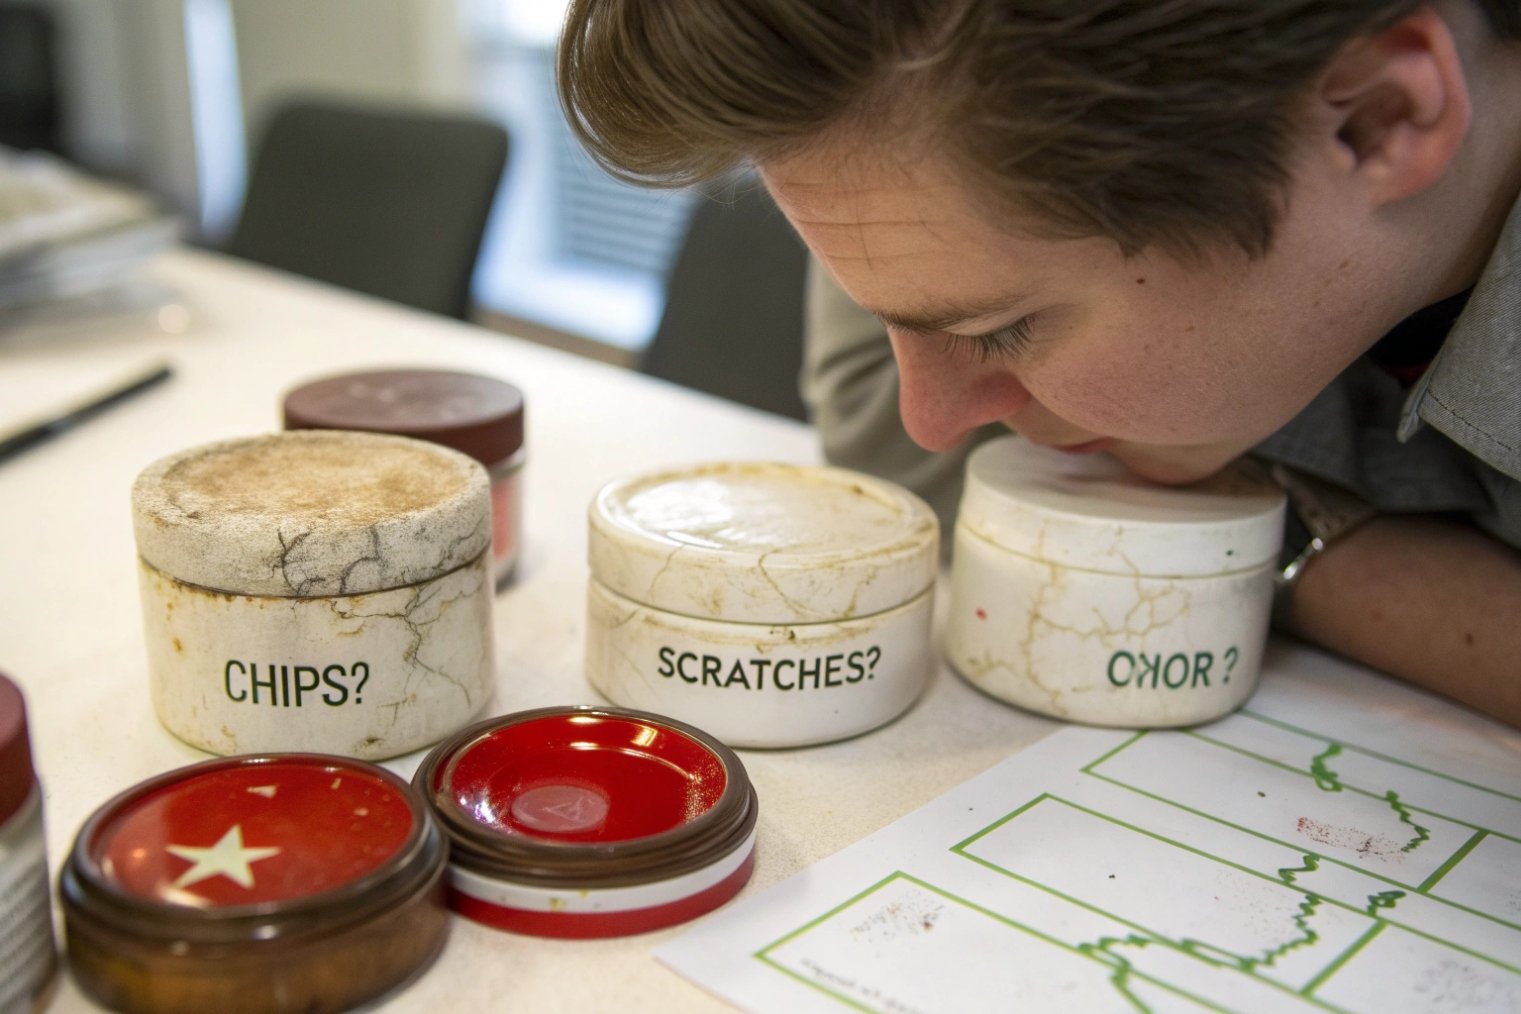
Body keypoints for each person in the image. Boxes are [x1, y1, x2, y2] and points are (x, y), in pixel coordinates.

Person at [558, 0, 1521, 728]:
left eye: (1002, 332)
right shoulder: (916, 91)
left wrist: (1232, 546)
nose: (929, 415)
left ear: (1377, 121)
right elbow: (894, 452)